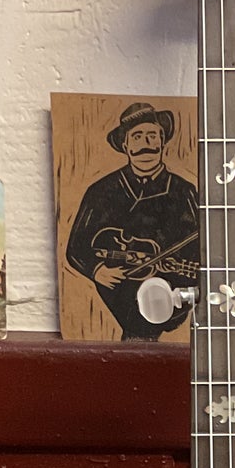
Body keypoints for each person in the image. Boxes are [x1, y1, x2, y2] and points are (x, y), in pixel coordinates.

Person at [65, 102, 199, 340]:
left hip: (174, 300)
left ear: (162, 141)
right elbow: (76, 246)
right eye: (137, 137)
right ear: (125, 145)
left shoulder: (184, 191)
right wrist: (97, 271)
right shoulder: (100, 191)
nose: (146, 145)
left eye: (152, 136)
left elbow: (205, 248)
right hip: (122, 299)